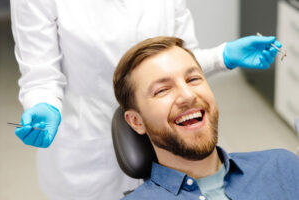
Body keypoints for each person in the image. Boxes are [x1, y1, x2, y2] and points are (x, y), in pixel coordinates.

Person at [10, 0, 281, 199]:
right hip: (88, 148)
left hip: (166, 143)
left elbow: (178, 60)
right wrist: (43, 103)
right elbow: (41, 75)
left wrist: (223, 56)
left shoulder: (276, 167)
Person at [113, 36, 299, 200]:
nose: (188, 96)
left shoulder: (283, 166)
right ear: (136, 121)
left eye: (193, 79)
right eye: (162, 90)